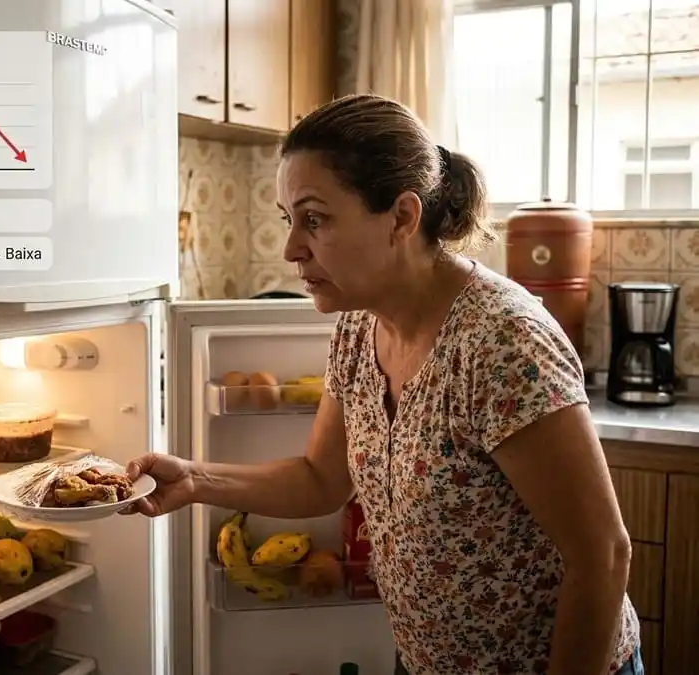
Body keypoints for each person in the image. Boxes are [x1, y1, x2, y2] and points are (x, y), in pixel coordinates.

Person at [123, 94, 641, 675]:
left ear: (401, 217)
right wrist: (193, 478)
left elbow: (602, 555)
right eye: (288, 220)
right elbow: (321, 480)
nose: (292, 248)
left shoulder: (501, 342)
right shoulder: (358, 325)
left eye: (314, 219)